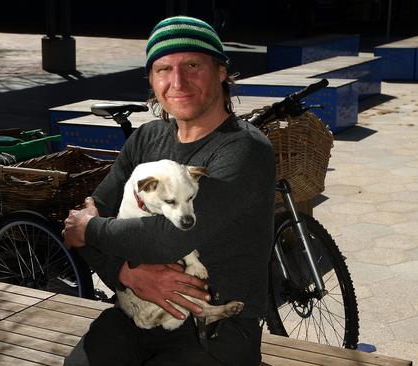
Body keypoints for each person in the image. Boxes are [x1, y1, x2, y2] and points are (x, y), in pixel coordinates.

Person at [62, 15, 275, 366]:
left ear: (221, 72)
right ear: (151, 79)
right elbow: (83, 223)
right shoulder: (147, 138)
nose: (178, 81)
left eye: (193, 65)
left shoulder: (243, 149)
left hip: (213, 332)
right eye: (163, 69)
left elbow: (165, 238)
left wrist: (90, 230)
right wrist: (126, 273)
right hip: (135, 314)